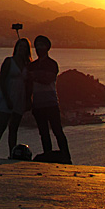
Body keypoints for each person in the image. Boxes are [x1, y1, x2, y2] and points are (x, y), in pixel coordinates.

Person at [27, 35, 72, 163]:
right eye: (38, 45)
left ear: (47, 47)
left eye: (42, 45)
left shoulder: (52, 64)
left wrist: (34, 76)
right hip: (37, 104)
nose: (39, 48)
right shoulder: (32, 65)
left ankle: (67, 157)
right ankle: (48, 157)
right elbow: (29, 83)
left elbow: (48, 79)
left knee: (57, 131)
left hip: (51, 103)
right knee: (44, 134)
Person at [0, 38, 33, 158]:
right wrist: (7, 99)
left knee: (14, 128)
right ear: (16, 47)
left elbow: (29, 84)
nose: (22, 49)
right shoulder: (8, 61)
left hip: (20, 98)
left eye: (24, 47)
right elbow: (2, 80)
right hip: (7, 96)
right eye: (20, 46)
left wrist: (28, 99)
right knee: (0, 126)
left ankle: (12, 154)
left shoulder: (28, 65)